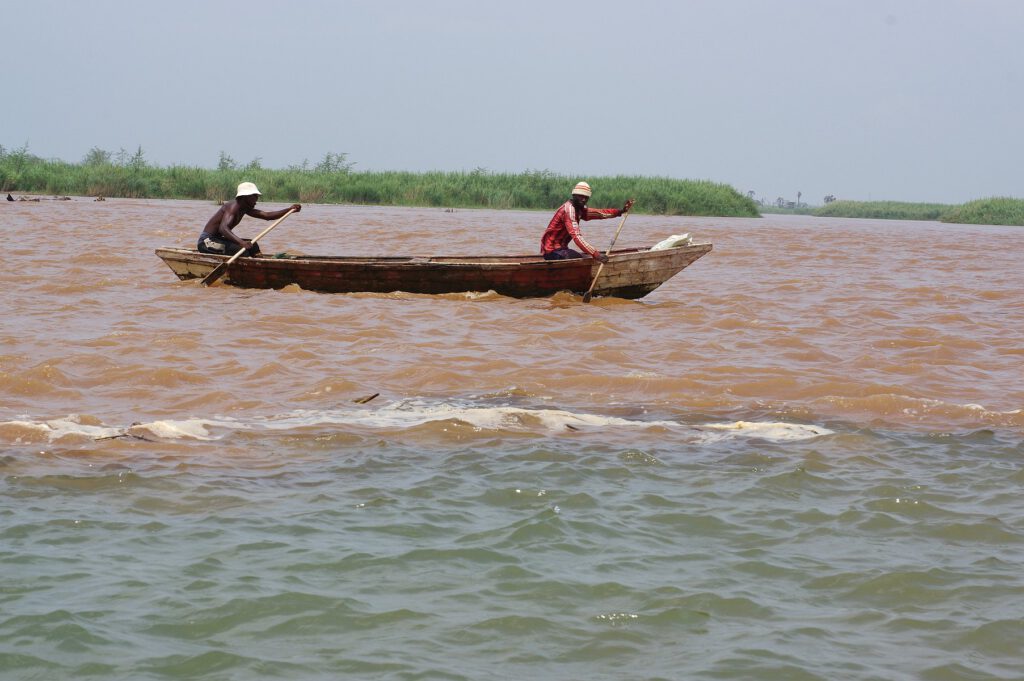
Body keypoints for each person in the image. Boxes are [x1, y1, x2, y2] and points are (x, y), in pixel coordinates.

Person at [197, 182, 301, 256]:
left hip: (218, 240)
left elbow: (267, 215)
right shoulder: (233, 207)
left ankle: (259, 264)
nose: (257, 199)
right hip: (206, 242)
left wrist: (289, 209)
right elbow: (223, 229)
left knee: (253, 245)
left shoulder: (244, 208)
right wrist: (241, 243)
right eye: (255, 196)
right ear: (246, 197)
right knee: (242, 250)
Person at [540, 181, 634, 263]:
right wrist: (596, 254)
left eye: (586, 197)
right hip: (551, 251)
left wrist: (621, 211)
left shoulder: (579, 209)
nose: (584, 199)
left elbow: (600, 213)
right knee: (583, 257)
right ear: (574, 196)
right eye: (581, 196)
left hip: (561, 249)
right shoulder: (569, 210)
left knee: (585, 257)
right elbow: (577, 237)